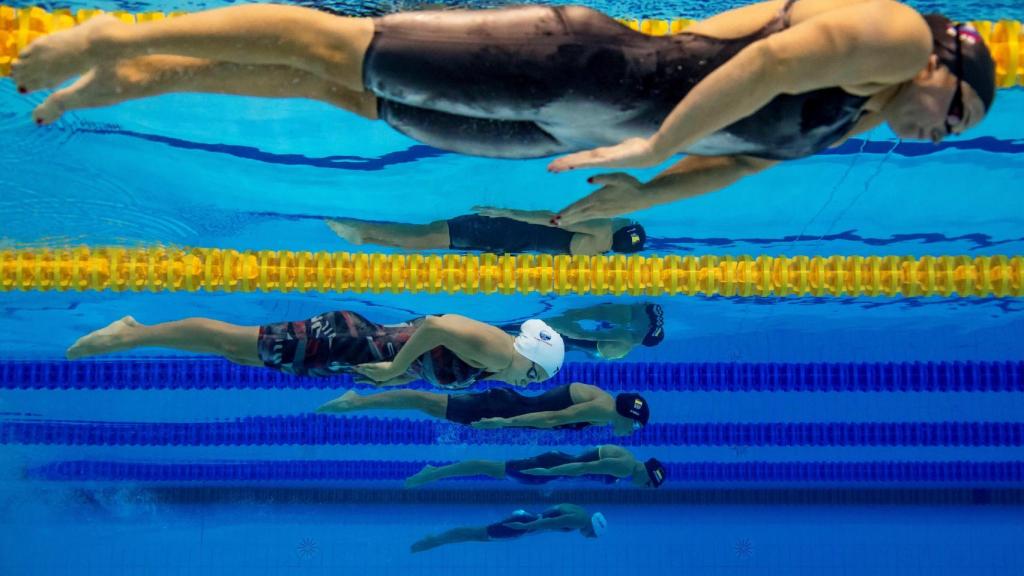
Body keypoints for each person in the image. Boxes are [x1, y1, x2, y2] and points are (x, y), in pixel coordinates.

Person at [13, 1, 994, 216]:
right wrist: (659, 140)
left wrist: (618, 202)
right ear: (945, 65)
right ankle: (113, 37)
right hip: (575, 65)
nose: (936, 137)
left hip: (558, 134)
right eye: (952, 115)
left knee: (350, 94)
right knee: (331, 44)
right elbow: (770, 65)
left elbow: (739, 160)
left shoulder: (856, 118)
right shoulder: (899, 37)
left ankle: (151, 78)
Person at [65, 312, 564, 389]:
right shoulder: (498, 352)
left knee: (242, 354)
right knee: (236, 342)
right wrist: (395, 366)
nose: (530, 384)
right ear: (530, 355)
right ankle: (131, 333)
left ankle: (136, 334)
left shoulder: (497, 365)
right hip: (346, 340)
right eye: (537, 375)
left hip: (349, 350)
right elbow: (434, 325)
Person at [316, 382, 651, 436]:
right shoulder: (602, 411)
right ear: (626, 416)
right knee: (423, 402)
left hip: (506, 403)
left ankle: (358, 401)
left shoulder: (605, 402)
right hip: (500, 408)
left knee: (426, 406)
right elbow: (551, 417)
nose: (631, 433)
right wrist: (500, 425)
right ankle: (356, 401)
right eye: (634, 427)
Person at [326, 206, 646, 255]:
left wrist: (503, 211)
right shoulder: (598, 251)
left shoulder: (600, 228)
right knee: (434, 240)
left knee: (429, 233)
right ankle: (367, 237)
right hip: (509, 246)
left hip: (505, 229)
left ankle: (361, 231)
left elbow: (551, 218)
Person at [405, 444, 667, 488]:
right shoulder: (625, 466)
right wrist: (547, 473)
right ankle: (434, 473)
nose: (643, 486)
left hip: (553, 466)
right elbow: (580, 468)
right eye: (647, 484)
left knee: (491, 468)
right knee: (488, 467)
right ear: (647, 472)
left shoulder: (626, 461)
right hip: (550, 467)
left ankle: (436, 473)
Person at [499, 302, 664, 360]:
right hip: (573, 346)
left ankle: (496, 329)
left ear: (645, 332)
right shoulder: (625, 349)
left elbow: (587, 336)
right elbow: (594, 352)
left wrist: (568, 326)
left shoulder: (625, 337)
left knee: (522, 328)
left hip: (572, 339)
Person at [411, 504, 606, 553]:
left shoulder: (579, 511)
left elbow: (550, 515)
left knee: (476, 533)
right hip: (523, 526)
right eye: (592, 535)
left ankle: (436, 540)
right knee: (475, 534)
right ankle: (433, 541)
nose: (589, 537)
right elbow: (549, 523)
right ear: (593, 528)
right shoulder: (580, 521)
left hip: (526, 517)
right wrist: (525, 526)